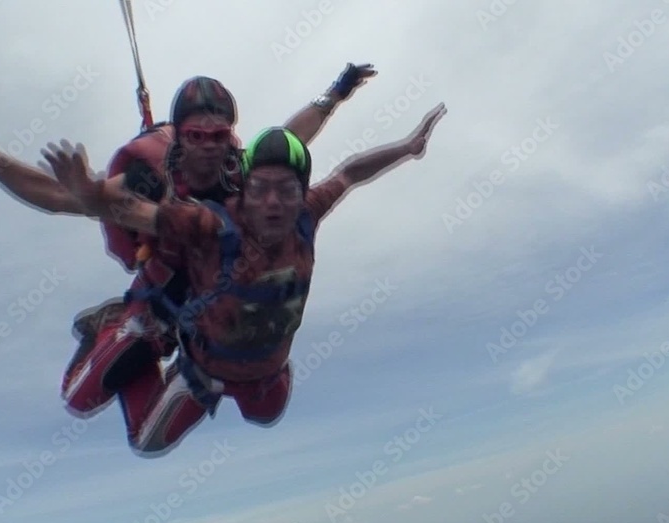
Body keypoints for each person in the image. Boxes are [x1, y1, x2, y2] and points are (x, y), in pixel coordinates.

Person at [0, 64, 375, 437]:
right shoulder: (148, 181)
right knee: (79, 400)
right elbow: (58, 197)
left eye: (218, 135)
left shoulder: (242, 170)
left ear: (230, 135)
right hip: (162, 300)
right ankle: (106, 328)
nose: (208, 146)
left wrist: (336, 92)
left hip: (209, 304)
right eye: (197, 135)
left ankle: (192, 366)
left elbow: (294, 134)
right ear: (180, 136)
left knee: (258, 411)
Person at [40, 102, 448, 455]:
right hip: (205, 372)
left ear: (301, 192)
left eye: (286, 191)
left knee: (266, 414)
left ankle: (198, 358)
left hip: (263, 372)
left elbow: (352, 172)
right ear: (244, 191)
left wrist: (407, 147)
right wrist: (88, 193)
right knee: (145, 441)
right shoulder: (212, 224)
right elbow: (133, 211)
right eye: (261, 191)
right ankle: (121, 331)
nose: (273, 204)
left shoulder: (307, 212)